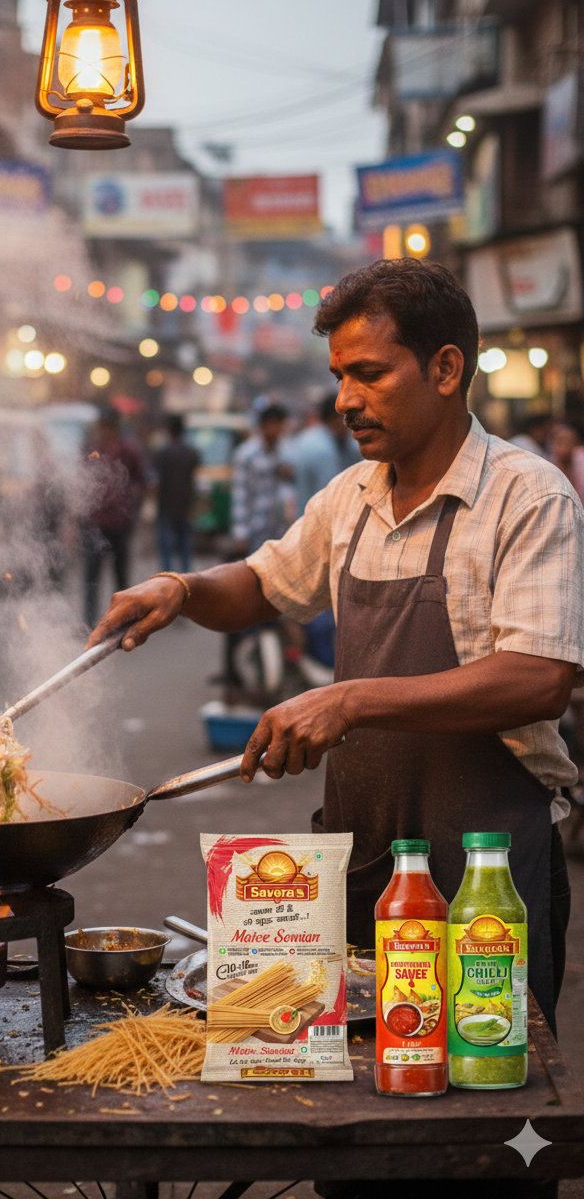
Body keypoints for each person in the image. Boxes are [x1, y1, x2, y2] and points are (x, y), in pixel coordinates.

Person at [89, 259, 581, 1069]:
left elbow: (537, 677)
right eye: (339, 376)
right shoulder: (350, 497)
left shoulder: (529, 498)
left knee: (482, 1101)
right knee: (359, 1096)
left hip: (482, 872)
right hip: (369, 862)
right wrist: (180, 586)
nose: (346, 398)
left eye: (370, 373)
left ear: (447, 368)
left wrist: (348, 701)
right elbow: (259, 584)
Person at [285, 393, 360, 669]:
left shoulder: (313, 440)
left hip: (308, 528)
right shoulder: (322, 450)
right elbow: (338, 499)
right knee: (324, 608)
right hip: (323, 535)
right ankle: (326, 666)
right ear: (335, 419)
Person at [82, 407, 148, 628]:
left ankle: (124, 619)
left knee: (120, 572)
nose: (104, 431)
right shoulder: (92, 450)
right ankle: (89, 621)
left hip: (120, 522)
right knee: (92, 574)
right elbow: (82, 481)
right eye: (102, 426)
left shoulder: (129, 451)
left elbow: (142, 481)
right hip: (95, 521)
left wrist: (134, 510)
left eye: (108, 426)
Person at [230, 403, 290, 555]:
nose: (278, 430)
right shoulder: (247, 455)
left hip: (278, 529)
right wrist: (240, 532)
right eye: (274, 424)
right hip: (255, 529)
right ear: (264, 425)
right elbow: (240, 494)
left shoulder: (284, 452)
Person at [151, 414, 200, 573]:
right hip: (185, 504)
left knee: (166, 549)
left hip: (166, 506)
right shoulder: (191, 453)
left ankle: (167, 579)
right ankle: (186, 580)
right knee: (185, 547)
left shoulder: (162, 453)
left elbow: (155, 482)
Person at [548, 420, 584, 503]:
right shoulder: (547, 466)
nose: (564, 446)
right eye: (560, 441)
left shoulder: (581, 458)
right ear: (552, 443)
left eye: (569, 441)